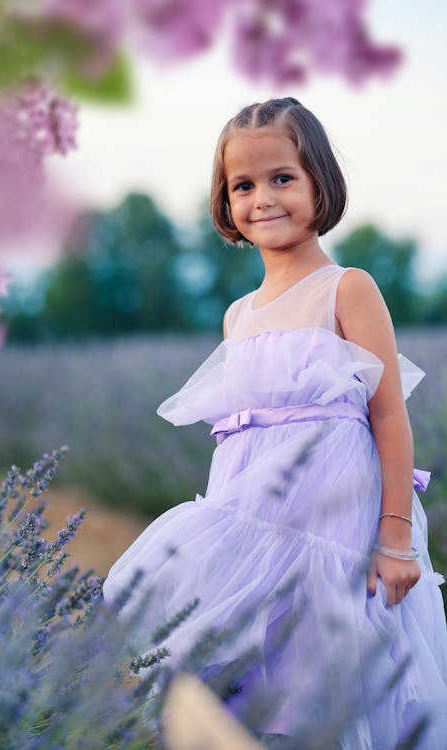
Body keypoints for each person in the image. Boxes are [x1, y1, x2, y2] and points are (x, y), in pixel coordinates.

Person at [103, 98, 447, 748]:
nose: (263, 197)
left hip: (336, 531)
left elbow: (389, 415)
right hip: (257, 530)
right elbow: (237, 437)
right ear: (225, 202)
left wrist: (395, 536)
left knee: (335, 685)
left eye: (282, 178)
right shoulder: (239, 315)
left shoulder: (347, 288)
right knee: (249, 689)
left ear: (319, 181)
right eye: (243, 185)